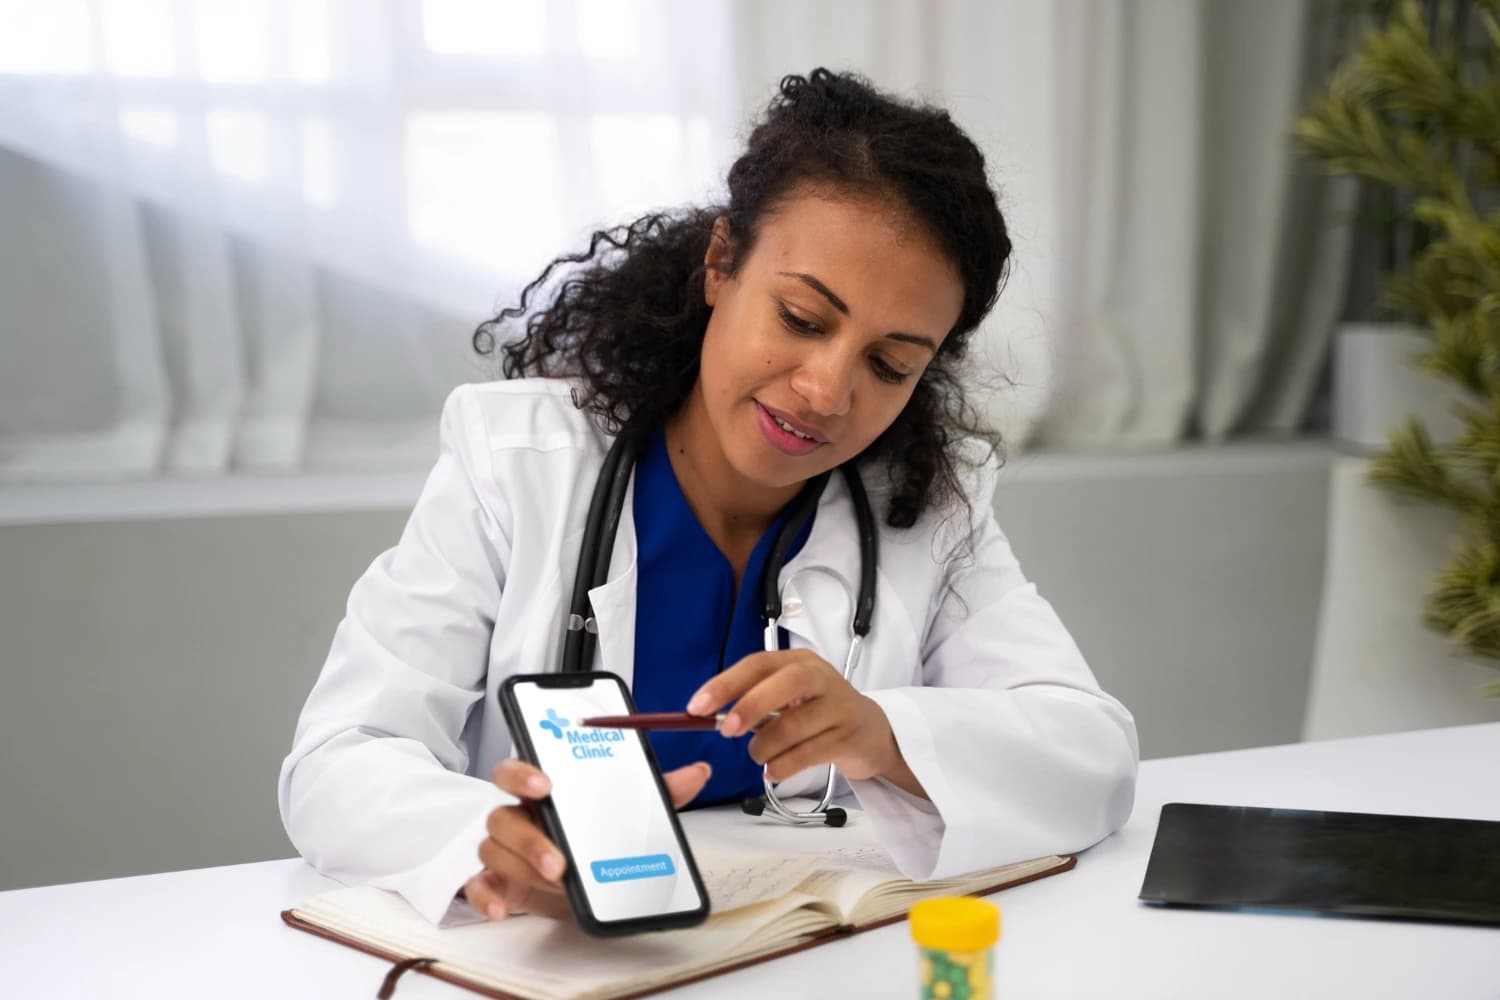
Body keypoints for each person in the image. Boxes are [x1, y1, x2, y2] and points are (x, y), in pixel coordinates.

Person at [278, 68, 1138, 927]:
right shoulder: (517, 465)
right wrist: (485, 837)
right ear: (721, 264)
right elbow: (340, 761)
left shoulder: (925, 511)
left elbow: (1094, 757)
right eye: (803, 319)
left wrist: (882, 734)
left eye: (890, 365)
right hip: (555, 958)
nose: (827, 391)